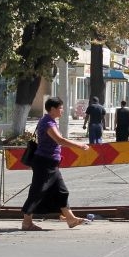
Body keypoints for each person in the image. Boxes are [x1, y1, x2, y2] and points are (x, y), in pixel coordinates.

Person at [21, 97, 90, 231]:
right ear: (52, 109)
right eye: (60, 108)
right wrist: (79, 145)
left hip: (51, 164)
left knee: (61, 191)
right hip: (44, 163)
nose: (62, 110)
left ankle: (71, 219)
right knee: (37, 192)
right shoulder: (48, 123)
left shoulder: (49, 121)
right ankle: (26, 222)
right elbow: (60, 140)